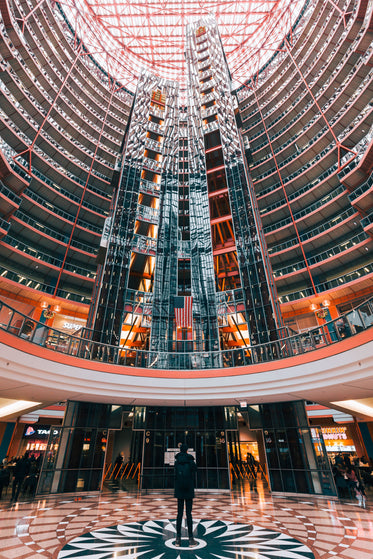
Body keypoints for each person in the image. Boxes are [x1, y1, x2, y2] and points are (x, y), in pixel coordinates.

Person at [174, 443, 197, 547]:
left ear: (180, 450)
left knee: (179, 514)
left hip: (179, 490)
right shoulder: (191, 461)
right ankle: (191, 539)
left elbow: (174, 475)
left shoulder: (177, 461)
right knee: (189, 514)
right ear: (187, 450)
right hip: (188, 490)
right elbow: (195, 472)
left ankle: (178, 539)